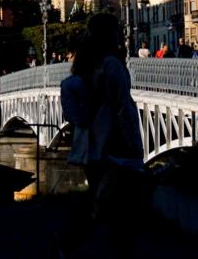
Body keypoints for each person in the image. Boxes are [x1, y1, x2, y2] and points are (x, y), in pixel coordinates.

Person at [61, 13, 144, 254]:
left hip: (93, 142)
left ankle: (72, 238)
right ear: (110, 35)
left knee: (101, 198)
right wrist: (131, 142)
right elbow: (120, 105)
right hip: (115, 141)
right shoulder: (112, 64)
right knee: (119, 205)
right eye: (117, 30)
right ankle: (74, 239)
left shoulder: (85, 62)